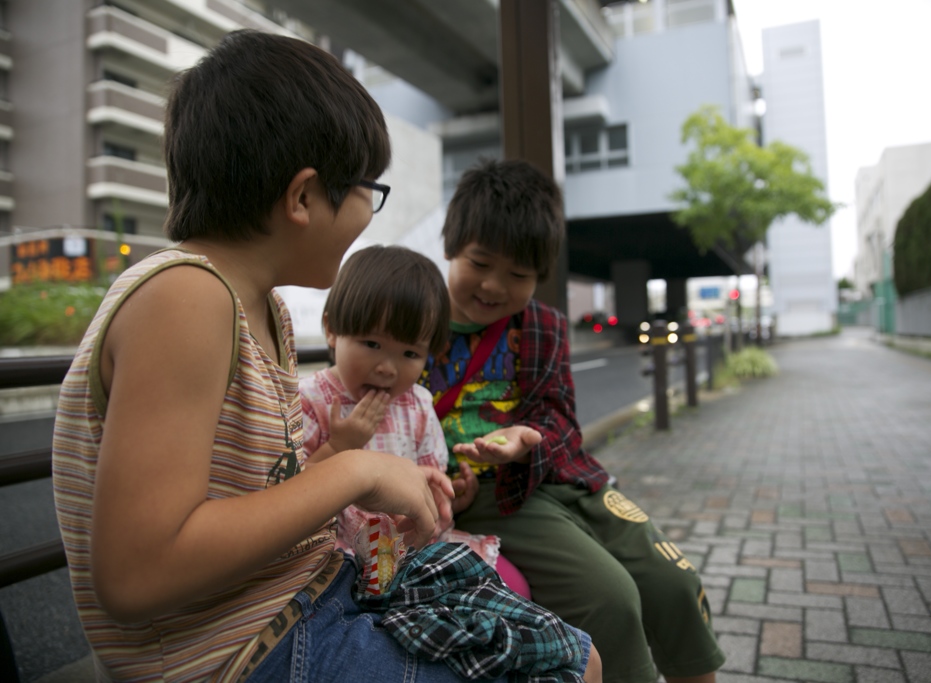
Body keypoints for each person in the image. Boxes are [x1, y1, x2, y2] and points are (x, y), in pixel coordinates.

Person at [51, 31, 597, 683]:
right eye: (368, 187)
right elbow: (138, 572)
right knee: (566, 665)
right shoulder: (187, 297)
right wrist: (358, 471)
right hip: (246, 651)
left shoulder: (261, 310)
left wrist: (347, 463)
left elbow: (261, 493)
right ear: (304, 196)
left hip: (309, 600)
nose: (370, 209)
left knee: (570, 650)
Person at [420, 159, 726, 683]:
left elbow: (560, 414)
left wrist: (525, 438)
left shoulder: (544, 324)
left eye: (518, 275)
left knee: (674, 582)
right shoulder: (414, 315)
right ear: (451, 245)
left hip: (562, 474)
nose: (494, 286)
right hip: (489, 495)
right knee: (611, 598)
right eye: (480, 262)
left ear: (540, 275)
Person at [298, 244, 505, 574]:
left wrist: (446, 495)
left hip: (410, 546)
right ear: (332, 330)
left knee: (504, 583)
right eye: (372, 344)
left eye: (410, 354)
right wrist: (338, 446)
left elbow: (428, 477)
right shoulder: (311, 400)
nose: (387, 368)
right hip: (338, 556)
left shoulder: (417, 404)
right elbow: (289, 494)